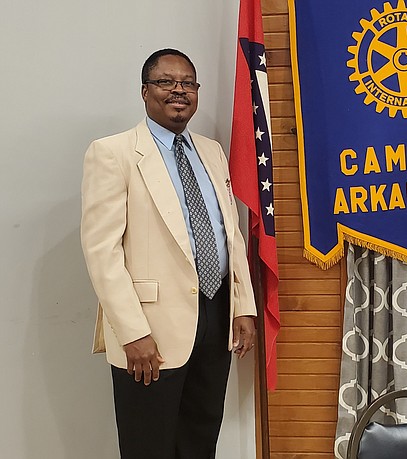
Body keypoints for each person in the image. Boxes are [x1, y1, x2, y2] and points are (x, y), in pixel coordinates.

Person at [81, 48, 258, 459]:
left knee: (199, 441)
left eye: (188, 83)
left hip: (216, 320)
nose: (178, 91)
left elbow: (229, 233)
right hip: (150, 331)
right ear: (145, 91)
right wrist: (132, 332)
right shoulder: (114, 153)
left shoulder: (212, 152)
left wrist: (243, 305)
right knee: (149, 447)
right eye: (165, 82)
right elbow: (101, 251)